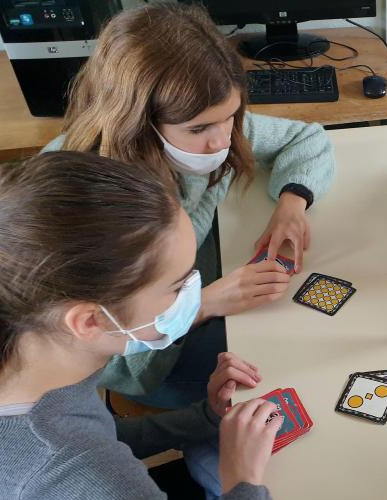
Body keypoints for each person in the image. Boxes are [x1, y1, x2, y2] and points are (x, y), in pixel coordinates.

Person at [42, 2, 336, 405]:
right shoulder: (78, 207)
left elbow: (307, 139)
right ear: (139, 124)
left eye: (231, 117)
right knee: (293, 363)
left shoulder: (202, 120)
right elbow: (107, 365)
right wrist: (201, 305)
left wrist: (292, 202)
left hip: (197, 287)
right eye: (199, 129)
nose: (223, 141)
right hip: (153, 363)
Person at [0, 152, 284, 500]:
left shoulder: (35, 362)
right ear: (89, 321)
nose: (194, 292)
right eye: (177, 286)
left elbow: (100, 434)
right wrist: (241, 482)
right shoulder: (91, 479)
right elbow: (87, 457)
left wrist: (205, 416)